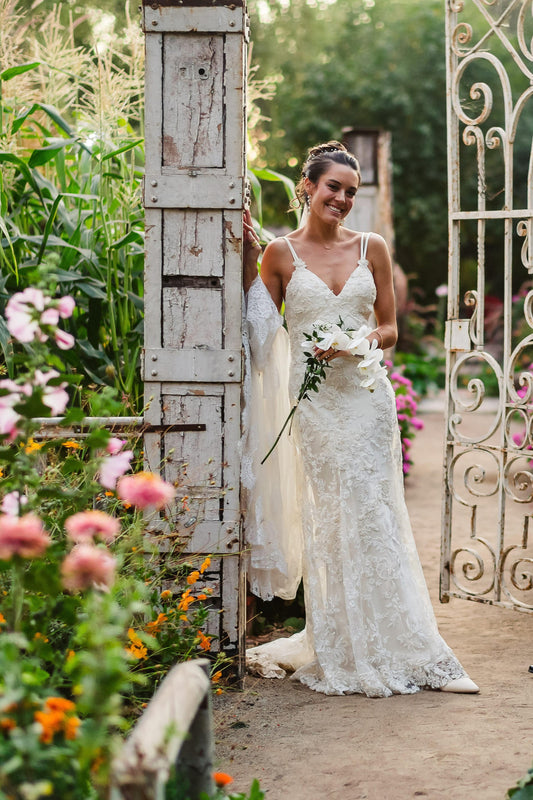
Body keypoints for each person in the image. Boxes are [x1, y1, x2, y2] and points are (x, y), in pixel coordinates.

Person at [241, 141, 478, 697]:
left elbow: (391, 330)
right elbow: (260, 333)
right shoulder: (277, 254)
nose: (343, 199)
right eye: (333, 188)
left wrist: (360, 338)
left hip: (367, 402)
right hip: (317, 408)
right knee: (333, 515)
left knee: (375, 512)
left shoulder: (373, 247)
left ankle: (417, 647)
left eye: (350, 191)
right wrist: (244, 263)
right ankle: (341, 644)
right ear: (308, 187)